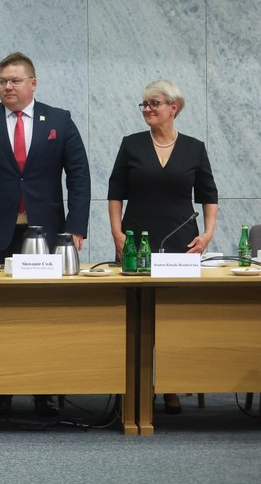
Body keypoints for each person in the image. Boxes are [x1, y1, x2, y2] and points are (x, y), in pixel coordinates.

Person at [0, 51, 90, 418]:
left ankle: (46, 389)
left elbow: (79, 176)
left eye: (14, 81)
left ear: (33, 83)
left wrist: (75, 228)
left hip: (47, 233)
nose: (7, 87)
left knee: (45, 314)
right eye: (2, 81)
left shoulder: (58, 120)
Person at [108, 79, 217, 416]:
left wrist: (208, 234)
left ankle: (170, 385)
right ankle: (134, 388)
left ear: (174, 107)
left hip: (182, 241)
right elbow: (115, 193)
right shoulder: (131, 145)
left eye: (154, 103)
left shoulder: (194, 148)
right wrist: (117, 233)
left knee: (174, 315)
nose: (147, 109)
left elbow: (209, 195)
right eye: (144, 104)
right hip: (136, 241)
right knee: (135, 316)